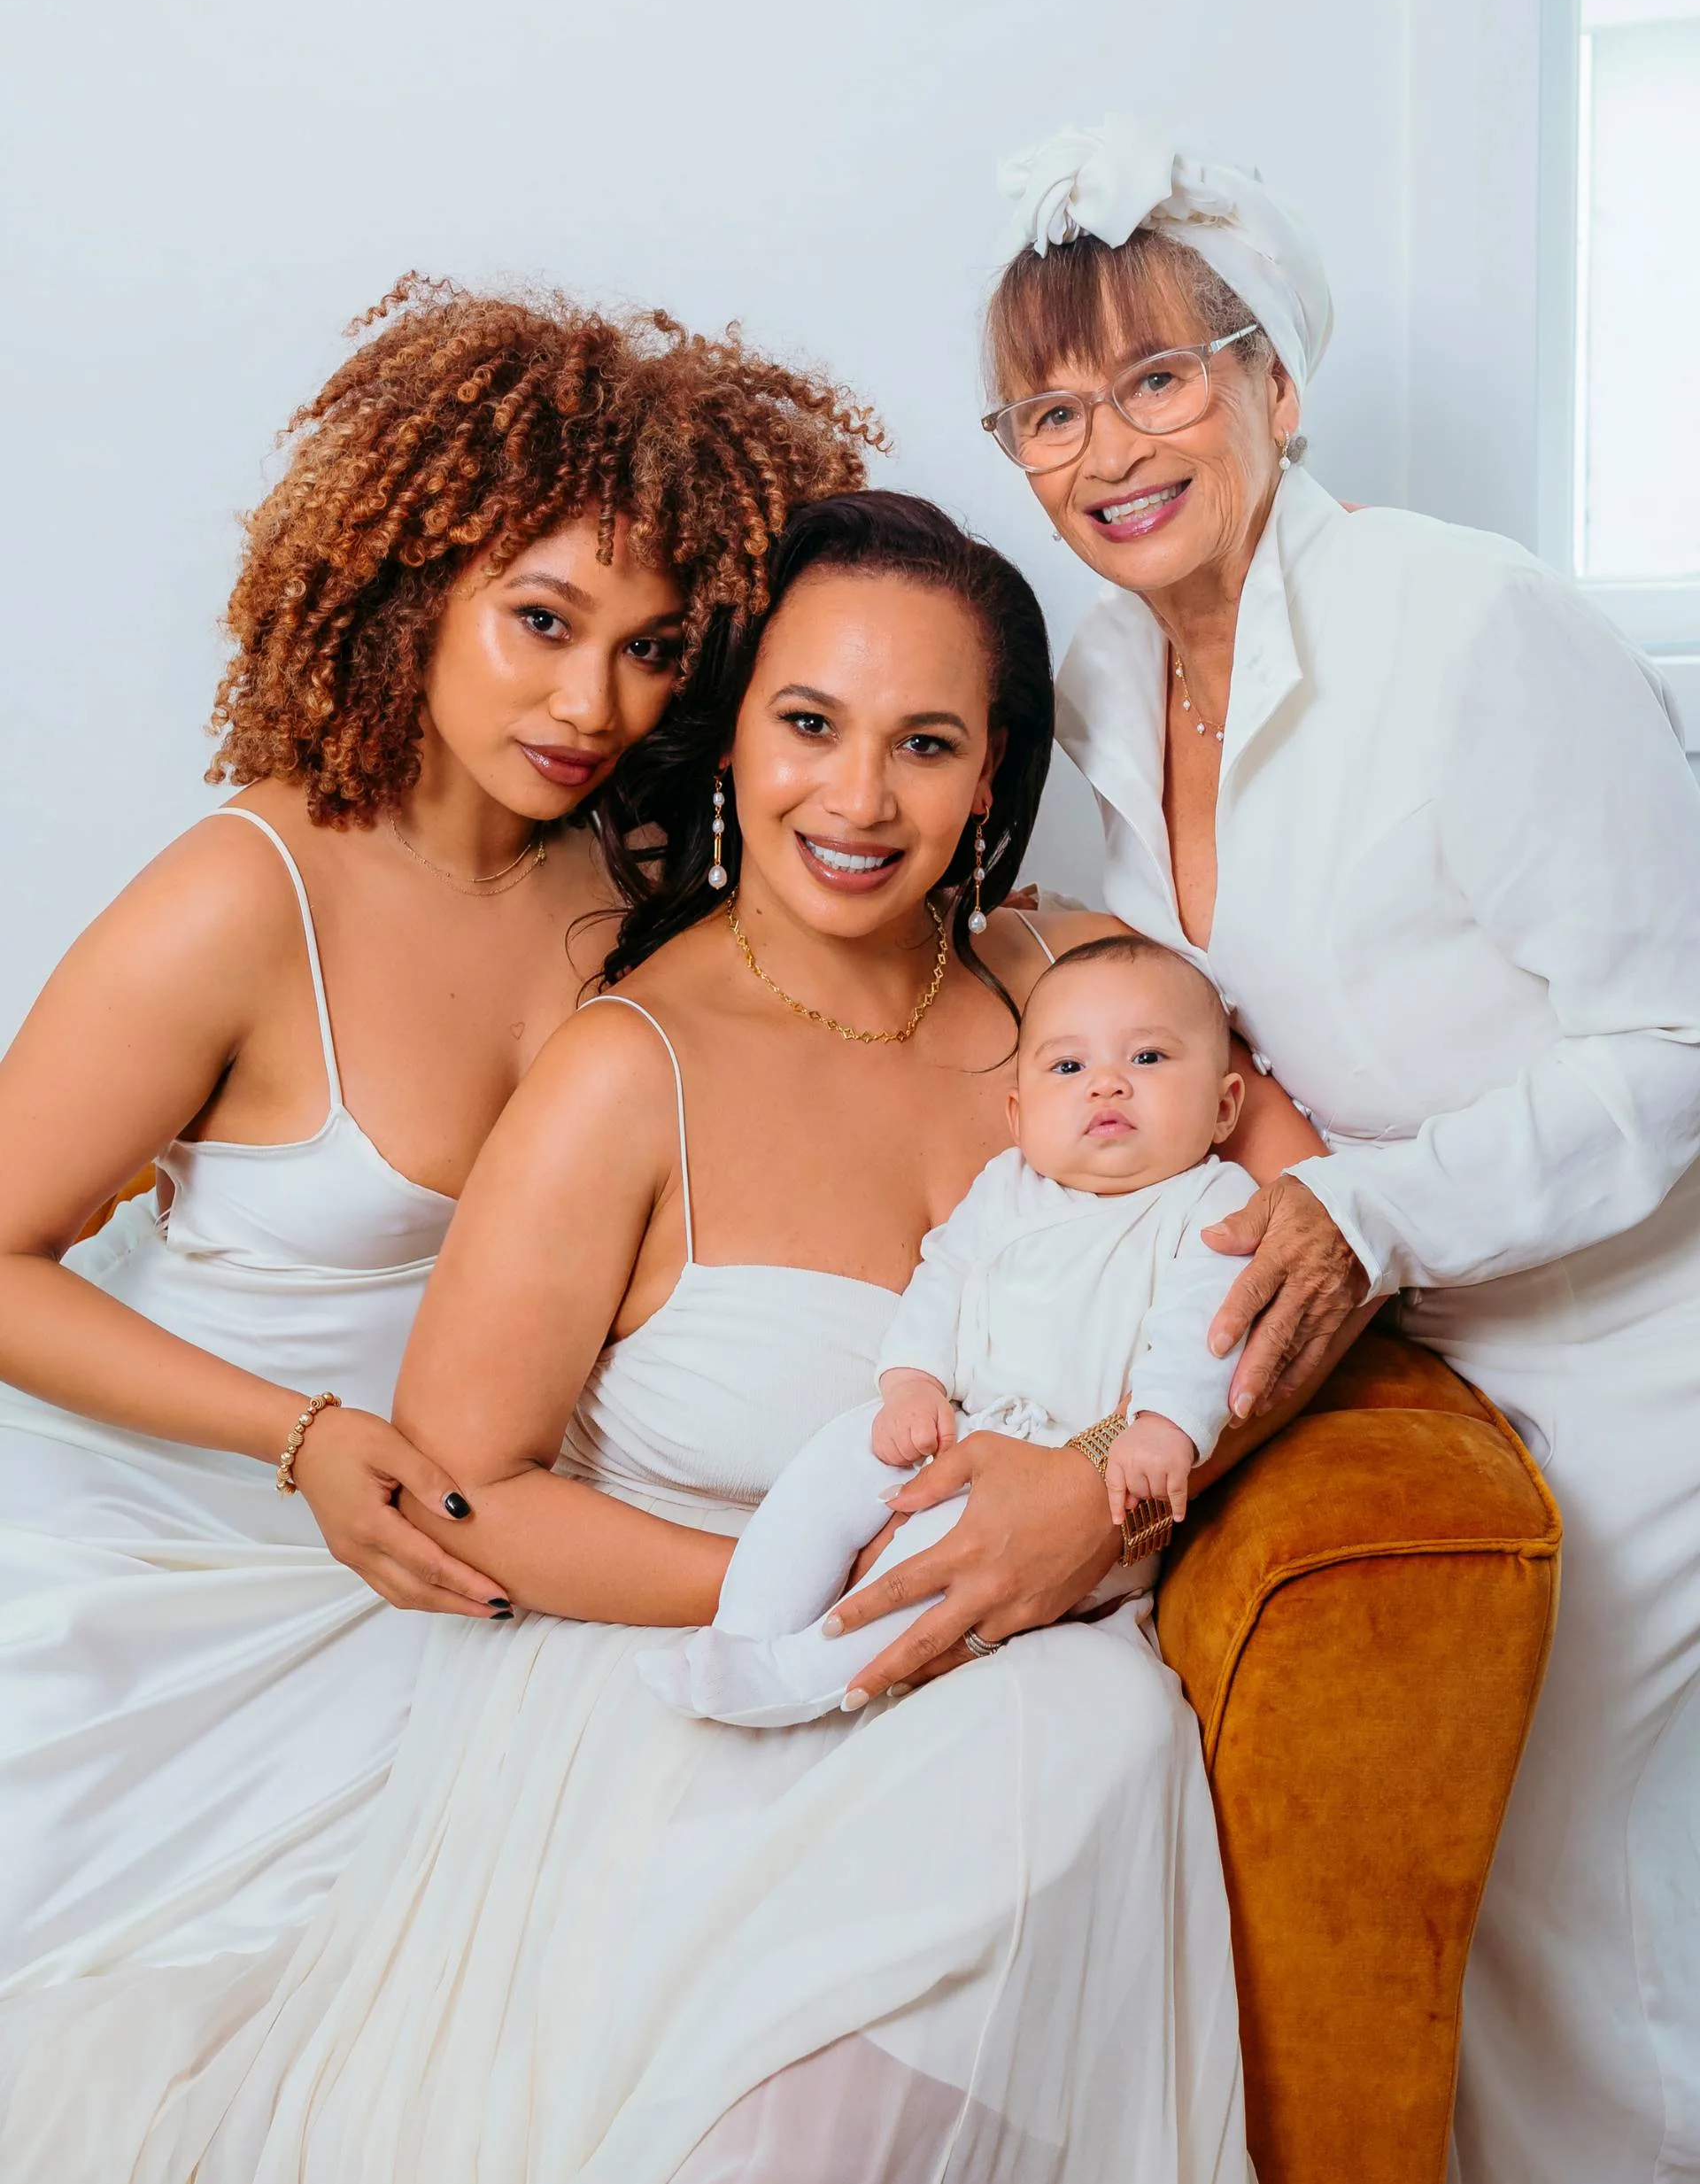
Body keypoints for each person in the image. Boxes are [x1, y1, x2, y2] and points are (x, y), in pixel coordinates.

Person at [0, 491, 1328, 2181]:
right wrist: (834, 1585)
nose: (857, 798)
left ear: (995, 773)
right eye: (807, 724)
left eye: (925, 743)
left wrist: (1105, 1495)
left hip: (998, 1680)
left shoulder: (1084, 991)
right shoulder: (624, 1063)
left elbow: (1329, 1250)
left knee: (1083, 1740)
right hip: (657, 1664)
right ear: (735, 740)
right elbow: (464, 1484)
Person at [0, 275, 877, 1999]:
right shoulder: (244, 898)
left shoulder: (627, 891)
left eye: (646, 652)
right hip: (174, 1581)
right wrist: (301, 1437)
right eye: (540, 621)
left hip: (472, 1571)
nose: (592, 704)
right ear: (417, 587)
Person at [982, 114, 1700, 2184]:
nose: (1098, 439)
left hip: (1625, 1345)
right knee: (1398, 1900)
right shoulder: (1109, 670)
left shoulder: (1470, 624)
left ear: (1273, 383)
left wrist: (1363, 1199)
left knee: (1567, 1907)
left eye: (1150, 374)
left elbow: (1671, 1036)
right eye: (1045, 404)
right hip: (1391, 1340)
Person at [645, 932, 1256, 1727]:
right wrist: (913, 1381)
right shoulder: (1009, 1187)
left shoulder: (1211, 1202)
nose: (1107, 1084)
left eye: (1148, 1059)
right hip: (966, 1426)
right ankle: (745, 1629)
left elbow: (1205, 1329)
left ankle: (800, 1676)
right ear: (1018, 1112)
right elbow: (943, 1277)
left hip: (1074, 1476)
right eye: (1068, 1067)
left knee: (940, 1550)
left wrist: (1164, 1424)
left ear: (1224, 1105)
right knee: (842, 1454)